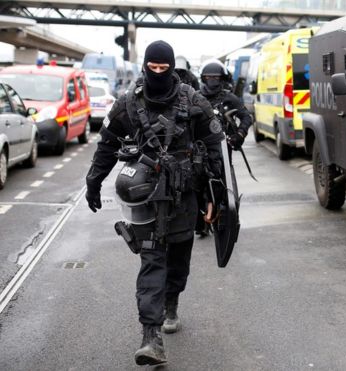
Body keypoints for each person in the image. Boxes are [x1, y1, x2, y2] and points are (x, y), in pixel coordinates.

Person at [85, 40, 225, 366]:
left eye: (164, 68)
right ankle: (151, 335)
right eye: (153, 67)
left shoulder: (193, 102)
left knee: (178, 259)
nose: (158, 73)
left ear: (172, 67)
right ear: (145, 66)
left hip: (185, 196)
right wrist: (93, 182)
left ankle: (171, 303)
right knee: (152, 262)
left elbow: (215, 152)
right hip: (146, 197)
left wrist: (216, 198)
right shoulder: (128, 105)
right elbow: (106, 145)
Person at [192, 60, 253, 237]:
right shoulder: (195, 97)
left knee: (224, 183)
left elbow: (246, 117)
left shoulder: (229, 98)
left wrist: (238, 135)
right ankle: (200, 220)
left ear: (222, 78)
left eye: (216, 77)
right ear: (203, 78)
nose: (212, 80)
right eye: (209, 77)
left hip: (222, 148)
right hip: (199, 149)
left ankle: (228, 217)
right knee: (196, 183)